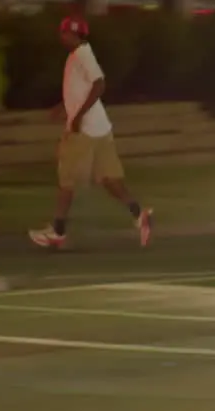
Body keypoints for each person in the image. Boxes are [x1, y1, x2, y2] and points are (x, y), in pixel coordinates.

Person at [30, 17, 153, 249]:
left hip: (84, 129)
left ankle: (57, 231)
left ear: (74, 35)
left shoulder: (82, 55)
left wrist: (76, 117)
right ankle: (140, 215)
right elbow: (80, 90)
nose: (62, 36)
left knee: (66, 179)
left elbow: (99, 85)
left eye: (65, 33)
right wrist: (62, 107)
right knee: (109, 179)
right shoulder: (78, 55)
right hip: (100, 128)